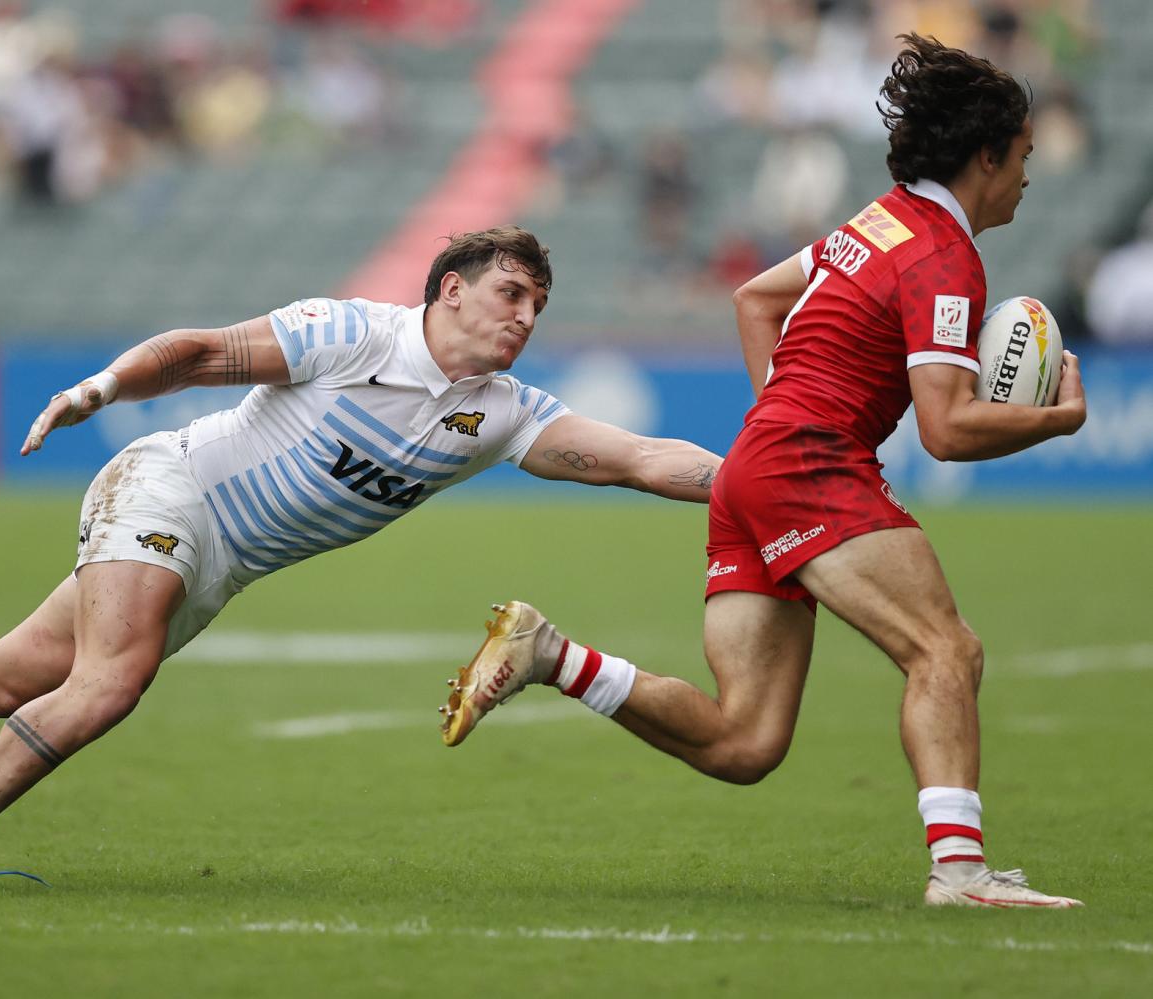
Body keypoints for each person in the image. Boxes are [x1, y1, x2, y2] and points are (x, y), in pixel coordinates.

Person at [0, 226, 722, 893]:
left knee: (2, 677)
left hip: (212, 566)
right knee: (110, 680)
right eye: (508, 293)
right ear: (449, 290)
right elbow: (195, 352)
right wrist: (96, 389)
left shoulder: (499, 417)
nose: (524, 317)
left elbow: (637, 456)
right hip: (167, 490)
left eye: (537, 305)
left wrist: (750, 482)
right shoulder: (353, 331)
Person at [441, 36, 1089, 908]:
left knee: (745, 741)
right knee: (946, 649)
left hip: (761, 461)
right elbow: (946, 428)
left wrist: (773, 423)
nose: (1025, 178)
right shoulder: (943, 253)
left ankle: (552, 654)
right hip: (809, 463)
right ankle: (962, 873)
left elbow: (755, 299)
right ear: (986, 154)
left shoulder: (879, 218)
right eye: (1023, 159)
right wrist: (1058, 419)